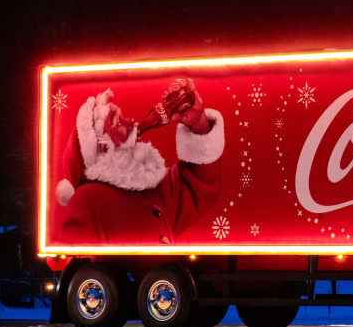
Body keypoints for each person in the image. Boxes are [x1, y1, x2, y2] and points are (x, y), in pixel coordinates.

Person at [52, 78, 225, 247]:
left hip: (162, 273)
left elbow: (199, 183)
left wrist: (199, 122)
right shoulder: (87, 200)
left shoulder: (153, 187)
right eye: (116, 121)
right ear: (103, 148)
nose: (131, 120)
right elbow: (79, 254)